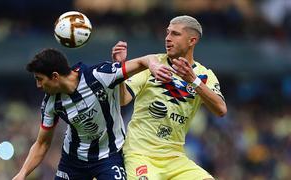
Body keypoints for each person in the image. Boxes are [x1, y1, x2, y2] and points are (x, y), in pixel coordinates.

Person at [12, 48, 171, 180]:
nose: (38, 85)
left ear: (55, 76)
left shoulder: (99, 76)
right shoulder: (50, 103)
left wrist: (154, 66)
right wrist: (22, 173)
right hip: (73, 161)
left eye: (40, 79)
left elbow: (145, 59)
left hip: (110, 156)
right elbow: (42, 143)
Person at [112, 15, 227, 180]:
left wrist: (193, 81)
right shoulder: (152, 64)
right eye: (167, 33)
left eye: (175, 34)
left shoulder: (204, 75)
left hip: (175, 157)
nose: (167, 38)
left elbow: (221, 110)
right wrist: (120, 70)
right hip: (141, 153)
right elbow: (123, 100)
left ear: (192, 40)